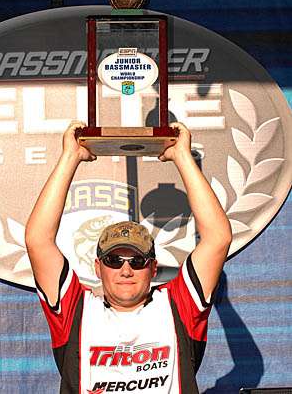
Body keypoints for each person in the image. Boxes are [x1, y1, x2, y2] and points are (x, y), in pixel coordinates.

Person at [25, 120, 232, 394]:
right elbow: (37, 240)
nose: (126, 270)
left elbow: (218, 237)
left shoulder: (177, 305)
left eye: (137, 261)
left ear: (153, 268)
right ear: (98, 268)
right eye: (114, 260)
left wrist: (182, 156)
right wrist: (69, 157)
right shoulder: (76, 310)